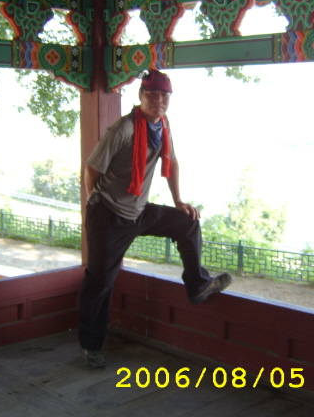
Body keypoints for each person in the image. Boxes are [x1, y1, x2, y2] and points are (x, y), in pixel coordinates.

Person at [78, 68, 232, 368]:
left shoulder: (162, 125)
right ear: (141, 96)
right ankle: (90, 346)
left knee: (187, 222)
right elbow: (92, 170)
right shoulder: (123, 129)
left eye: (164, 95)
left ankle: (198, 285)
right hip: (108, 216)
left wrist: (178, 201)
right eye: (152, 94)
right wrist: (97, 204)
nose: (158, 100)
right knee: (100, 282)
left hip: (138, 210)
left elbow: (171, 161)